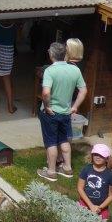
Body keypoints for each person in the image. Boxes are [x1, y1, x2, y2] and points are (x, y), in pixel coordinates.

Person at [37, 41, 87, 182]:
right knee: (64, 140)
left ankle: (51, 172)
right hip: (66, 112)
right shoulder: (75, 70)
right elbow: (83, 90)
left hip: (51, 113)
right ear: (65, 54)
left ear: (51, 54)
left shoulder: (50, 71)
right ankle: (67, 168)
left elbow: (46, 93)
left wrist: (47, 106)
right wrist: (75, 106)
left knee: (51, 142)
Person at [77, 143, 112, 219]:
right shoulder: (86, 169)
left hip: (102, 209)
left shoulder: (111, 175)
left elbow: (111, 195)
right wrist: (90, 205)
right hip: (84, 204)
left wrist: (100, 208)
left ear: (107, 158)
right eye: (95, 154)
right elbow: (80, 188)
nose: (98, 157)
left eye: (101, 155)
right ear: (92, 155)